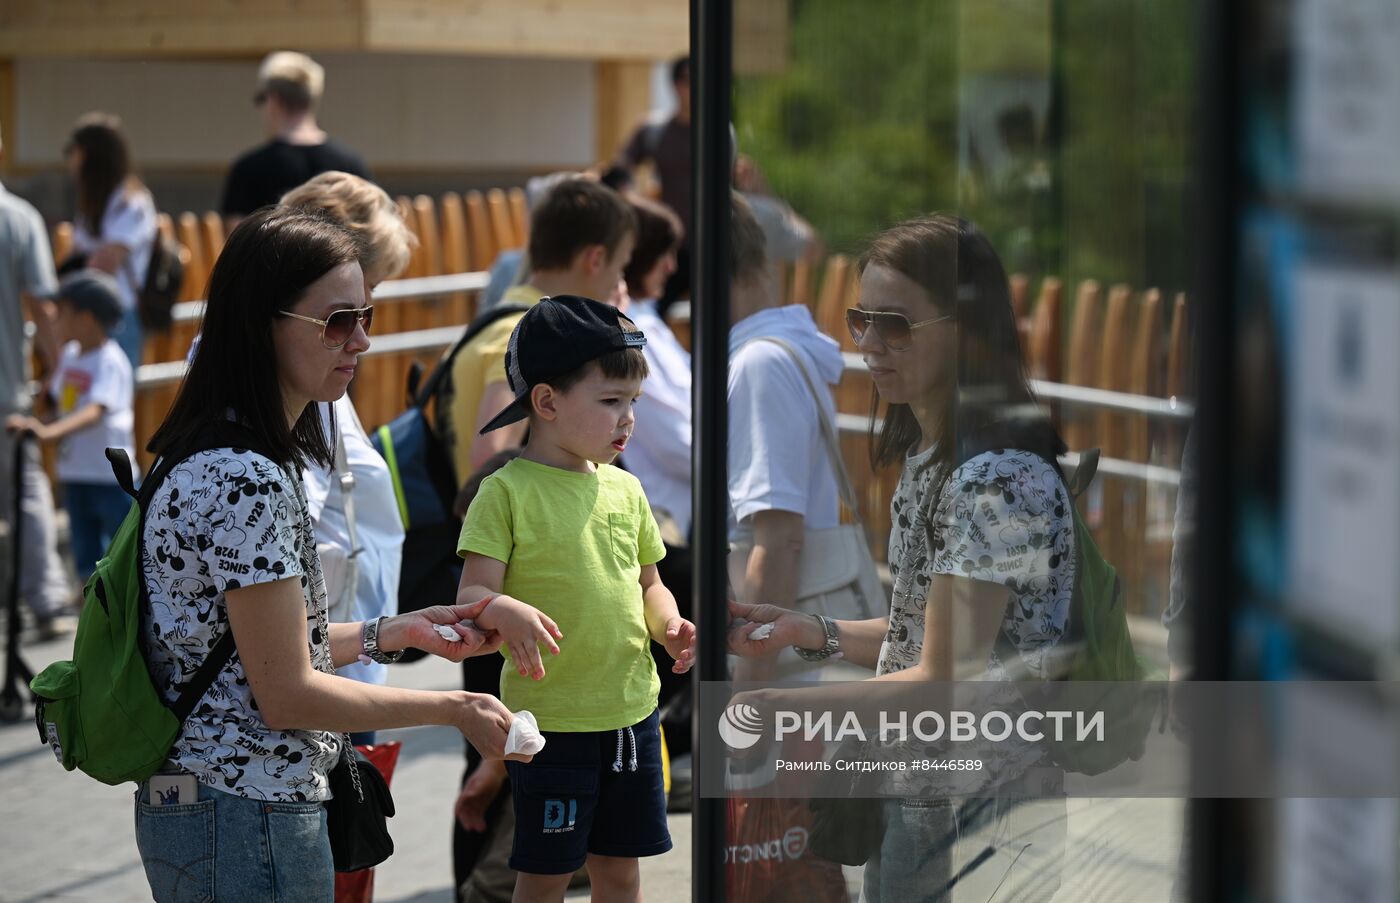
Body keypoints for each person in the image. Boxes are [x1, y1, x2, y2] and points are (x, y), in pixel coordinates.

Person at [132, 206, 527, 903]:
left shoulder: (222, 450)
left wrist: (394, 631)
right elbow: (285, 693)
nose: (363, 341)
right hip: (245, 810)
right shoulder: (243, 475)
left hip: (211, 803)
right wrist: (455, 708)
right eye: (338, 321)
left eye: (366, 315)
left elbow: (251, 653)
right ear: (263, 323)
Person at [729, 214, 1072, 902]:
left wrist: (775, 707)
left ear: (966, 327)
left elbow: (944, 680)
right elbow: (920, 645)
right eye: (862, 320)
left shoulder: (993, 476)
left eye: (897, 324)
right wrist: (810, 630)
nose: (871, 345)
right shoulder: (934, 454)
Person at [456, 295, 696, 903]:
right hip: (552, 726)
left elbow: (648, 584)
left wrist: (668, 625)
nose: (628, 419)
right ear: (546, 401)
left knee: (620, 872)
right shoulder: (505, 491)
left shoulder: (626, 487)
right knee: (544, 877)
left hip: (632, 716)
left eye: (633, 402)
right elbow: (472, 596)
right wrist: (500, 608)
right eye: (611, 401)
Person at [279, 171, 415, 745]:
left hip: (339, 658)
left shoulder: (312, 374)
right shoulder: (288, 385)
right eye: (347, 313)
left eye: (370, 306)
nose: (362, 336)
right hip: (322, 678)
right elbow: (289, 531)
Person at [436, 177, 636, 488]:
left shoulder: (497, 322)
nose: (620, 280)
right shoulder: (524, 337)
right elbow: (490, 454)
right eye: (620, 266)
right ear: (596, 259)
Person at [725, 193, 844, 679]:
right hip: (787, 658)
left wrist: (747, 694)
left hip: (776, 669)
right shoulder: (773, 354)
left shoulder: (761, 364)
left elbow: (777, 540)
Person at [619, 196, 694, 749]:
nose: (672, 265)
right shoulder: (637, 328)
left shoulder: (651, 322)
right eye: (664, 252)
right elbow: (679, 437)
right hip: (668, 512)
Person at [5, 270, 135, 588]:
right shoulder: (71, 358)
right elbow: (64, 406)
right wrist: (37, 422)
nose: (54, 318)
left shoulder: (109, 360)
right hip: (75, 473)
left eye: (62, 311)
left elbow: (93, 411)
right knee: (85, 554)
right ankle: (89, 611)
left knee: (126, 552)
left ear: (86, 318)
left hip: (107, 476)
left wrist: (49, 433)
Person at [0, 120, 74, 639]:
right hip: (7, 386)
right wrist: (56, 372)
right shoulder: (18, 218)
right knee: (25, 493)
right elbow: (43, 307)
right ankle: (45, 600)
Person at [221, 52, 371, 221]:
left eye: (261, 99)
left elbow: (236, 241)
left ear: (273, 100)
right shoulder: (351, 165)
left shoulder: (248, 170)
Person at [64, 112, 156, 369]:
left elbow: (105, 262)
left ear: (87, 153)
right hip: (85, 316)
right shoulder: (94, 203)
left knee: (113, 404)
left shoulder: (131, 202)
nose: (70, 159)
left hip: (116, 316)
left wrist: (69, 279)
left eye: (72, 150)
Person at [613, 56, 691, 308]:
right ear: (676, 86)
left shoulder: (722, 133)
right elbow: (620, 169)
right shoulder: (656, 131)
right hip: (668, 247)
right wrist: (638, 207)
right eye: (689, 80)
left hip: (713, 247)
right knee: (649, 314)